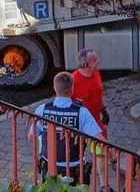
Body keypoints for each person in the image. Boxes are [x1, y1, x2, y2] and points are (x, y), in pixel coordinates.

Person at [27, 71, 104, 183]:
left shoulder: (42, 109)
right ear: (72, 89)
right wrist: (111, 156)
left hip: (49, 168)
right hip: (74, 169)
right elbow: (100, 141)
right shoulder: (81, 113)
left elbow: (31, 138)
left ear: (55, 88)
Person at [72, 49, 114, 192]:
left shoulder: (95, 72)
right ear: (85, 65)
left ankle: (104, 186)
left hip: (95, 123)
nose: (98, 62)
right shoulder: (74, 81)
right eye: (95, 60)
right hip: (81, 126)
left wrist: (103, 109)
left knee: (101, 152)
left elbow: (98, 92)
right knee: (79, 156)